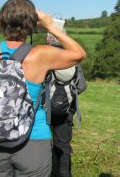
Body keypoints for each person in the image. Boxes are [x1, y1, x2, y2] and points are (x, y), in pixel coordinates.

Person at [0, 0, 86, 177]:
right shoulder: (40, 54)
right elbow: (79, 53)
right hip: (33, 140)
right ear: (31, 25)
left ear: (4, 21)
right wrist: (51, 26)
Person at [47, 33, 87, 177]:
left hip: (45, 111)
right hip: (66, 112)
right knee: (63, 147)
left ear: (49, 41)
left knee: (44, 145)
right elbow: (82, 86)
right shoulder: (73, 59)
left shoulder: (45, 57)